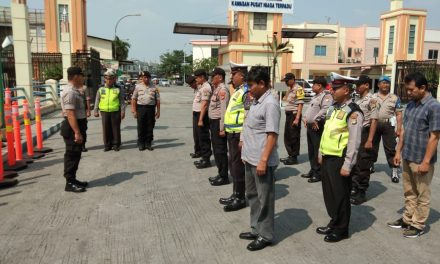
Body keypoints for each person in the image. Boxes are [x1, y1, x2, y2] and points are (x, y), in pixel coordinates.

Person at [388, 72, 440, 238]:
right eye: (407, 89)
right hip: (408, 155)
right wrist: (398, 151)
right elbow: (404, 130)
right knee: (409, 191)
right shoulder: (410, 105)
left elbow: (434, 137)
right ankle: (407, 219)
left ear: (423, 88)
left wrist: (426, 162)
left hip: (421, 159)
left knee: (422, 194)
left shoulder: (433, 106)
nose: (408, 93)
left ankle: (418, 225)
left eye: (411, 89)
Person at [316, 77, 363, 243]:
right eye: (332, 88)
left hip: (340, 160)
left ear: (346, 90)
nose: (332, 91)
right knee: (329, 194)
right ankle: (334, 222)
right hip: (328, 157)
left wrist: (348, 164)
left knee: (341, 195)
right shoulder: (332, 108)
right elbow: (327, 132)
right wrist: (321, 152)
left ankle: (341, 229)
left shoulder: (353, 111)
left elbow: (354, 141)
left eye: (336, 88)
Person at [239, 66, 280, 251]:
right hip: (250, 158)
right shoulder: (256, 101)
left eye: (251, 85)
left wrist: (263, 160)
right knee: (253, 196)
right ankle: (256, 228)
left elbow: (272, 135)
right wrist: (244, 154)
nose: (249, 89)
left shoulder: (270, 103)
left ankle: (266, 235)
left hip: (261, 161)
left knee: (265, 199)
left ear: (262, 84)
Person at [220, 66, 249, 212]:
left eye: (234, 74)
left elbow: (248, 115)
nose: (231, 77)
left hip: (239, 133)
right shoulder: (238, 90)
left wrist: (243, 136)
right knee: (233, 164)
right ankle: (235, 193)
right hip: (232, 132)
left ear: (242, 76)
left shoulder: (246, 92)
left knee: (237, 166)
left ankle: (240, 197)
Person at [350, 75, 378, 205]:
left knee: (363, 163)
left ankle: (362, 191)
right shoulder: (358, 99)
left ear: (366, 85)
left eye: (359, 84)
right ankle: (355, 187)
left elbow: (374, 120)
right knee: (355, 161)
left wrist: (370, 139)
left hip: (366, 133)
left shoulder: (372, 99)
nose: (357, 87)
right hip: (356, 133)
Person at [60, 66, 89, 192]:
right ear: (76, 76)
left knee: (76, 154)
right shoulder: (70, 92)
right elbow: (70, 114)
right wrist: (77, 132)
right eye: (82, 76)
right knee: (72, 155)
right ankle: (69, 183)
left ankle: (73, 179)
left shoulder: (76, 90)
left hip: (77, 126)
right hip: (73, 128)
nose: (84, 78)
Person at [371, 76, 403, 182]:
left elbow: (398, 114)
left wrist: (398, 128)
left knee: (390, 148)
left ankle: (394, 171)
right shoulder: (373, 97)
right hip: (374, 124)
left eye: (387, 83)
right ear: (378, 84)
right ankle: (370, 165)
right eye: (383, 83)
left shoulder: (394, 98)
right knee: (372, 146)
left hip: (388, 125)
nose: (385, 85)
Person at [302, 77, 333, 183]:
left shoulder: (326, 96)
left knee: (317, 150)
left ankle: (318, 173)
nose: (312, 87)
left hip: (318, 125)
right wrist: (305, 118)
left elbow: (326, 109)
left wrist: (315, 119)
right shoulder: (316, 96)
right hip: (311, 126)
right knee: (311, 150)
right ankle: (313, 169)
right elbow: (310, 109)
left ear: (319, 85)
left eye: (314, 85)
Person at [207, 68, 230, 186]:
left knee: (220, 151)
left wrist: (222, 128)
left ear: (220, 77)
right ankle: (220, 173)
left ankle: (224, 176)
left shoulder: (223, 90)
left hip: (218, 124)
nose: (211, 78)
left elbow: (224, 111)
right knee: (216, 150)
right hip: (213, 123)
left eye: (213, 76)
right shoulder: (216, 89)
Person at [94, 69, 126, 151]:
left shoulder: (118, 88)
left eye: (111, 78)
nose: (109, 80)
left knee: (115, 129)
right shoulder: (101, 88)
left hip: (115, 111)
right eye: (107, 78)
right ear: (105, 78)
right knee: (106, 129)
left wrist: (122, 111)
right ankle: (107, 145)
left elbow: (122, 101)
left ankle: (116, 144)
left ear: (114, 79)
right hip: (104, 112)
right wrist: (95, 110)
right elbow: (97, 99)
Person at [131, 71, 160, 151]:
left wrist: (158, 111)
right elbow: (133, 99)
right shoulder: (138, 87)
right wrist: (134, 110)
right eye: (144, 77)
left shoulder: (154, 87)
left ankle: (148, 143)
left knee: (150, 126)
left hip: (151, 109)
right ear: (142, 78)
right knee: (141, 126)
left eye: (148, 77)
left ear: (150, 78)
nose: (146, 79)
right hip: (141, 108)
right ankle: (141, 143)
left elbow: (157, 100)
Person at [280, 73, 304, 165]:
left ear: (292, 79)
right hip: (289, 115)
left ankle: (294, 157)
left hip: (294, 115)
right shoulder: (290, 89)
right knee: (288, 136)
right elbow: (285, 98)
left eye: (286, 80)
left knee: (294, 136)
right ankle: (290, 155)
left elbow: (300, 104)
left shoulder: (298, 89)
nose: (285, 82)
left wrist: (297, 118)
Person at [193, 69, 213, 169]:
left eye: (197, 77)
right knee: (200, 137)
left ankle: (206, 160)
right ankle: (204, 157)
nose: (195, 79)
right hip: (198, 114)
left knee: (204, 137)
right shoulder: (201, 87)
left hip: (202, 115)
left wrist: (200, 119)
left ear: (202, 77)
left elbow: (204, 105)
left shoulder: (206, 88)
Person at [187, 75, 201, 159]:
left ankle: (203, 153)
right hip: (195, 114)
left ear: (194, 82)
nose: (191, 87)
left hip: (201, 114)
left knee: (201, 135)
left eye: (191, 85)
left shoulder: (201, 88)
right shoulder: (196, 89)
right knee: (195, 134)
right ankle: (197, 151)